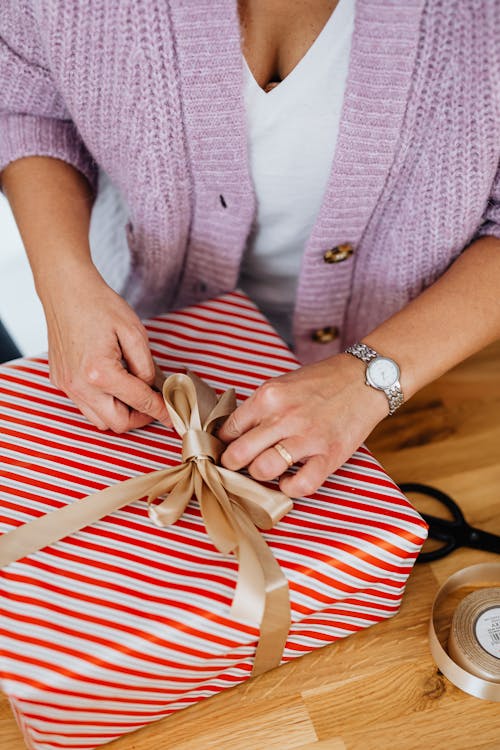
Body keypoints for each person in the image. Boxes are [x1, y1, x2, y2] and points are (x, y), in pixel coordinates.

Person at [1, 0, 499, 498]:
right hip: (126, 324)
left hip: (419, 359)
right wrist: (64, 283)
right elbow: (26, 103)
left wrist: (370, 378)